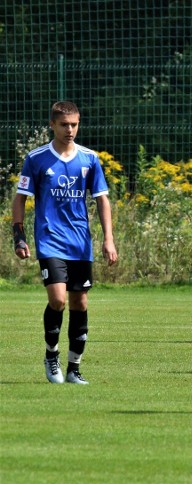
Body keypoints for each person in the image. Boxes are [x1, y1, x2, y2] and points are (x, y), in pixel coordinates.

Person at [12, 100, 119, 384]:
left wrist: (108, 239)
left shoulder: (89, 159)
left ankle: (74, 368)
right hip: (50, 241)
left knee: (79, 303)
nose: (70, 130)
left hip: (80, 242)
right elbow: (20, 198)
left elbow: (102, 200)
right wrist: (19, 236)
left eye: (74, 124)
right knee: (58, 299)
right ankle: (51, 356)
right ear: (52, 125)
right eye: (64, 125)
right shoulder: (36, 159)